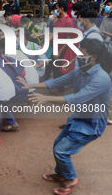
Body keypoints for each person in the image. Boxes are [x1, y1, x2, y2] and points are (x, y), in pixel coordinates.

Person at [18, 39, 111, 195]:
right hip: (79, 117)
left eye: (82, 53)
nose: (79, 56)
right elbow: (56, 81)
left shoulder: (101, 78)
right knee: (58, 145)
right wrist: (29, 86)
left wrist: (47, 98)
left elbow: (77, 97)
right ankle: (61, 174)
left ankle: (71, 178)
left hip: (91, 124)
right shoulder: (80, 70)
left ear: (93, 56)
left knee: (61, 150)